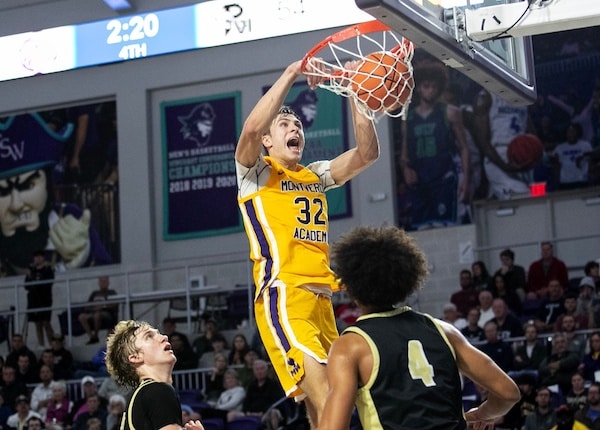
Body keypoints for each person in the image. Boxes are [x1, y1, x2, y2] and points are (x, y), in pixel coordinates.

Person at [235, 58, 380, 427]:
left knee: (325, 413)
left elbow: (367, 154)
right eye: (284, 124)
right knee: (335, 399)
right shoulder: (256, 173)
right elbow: (251, 129)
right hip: (284, 295)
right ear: (269, 140)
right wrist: (290, 73)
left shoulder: (314, 175)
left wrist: (355, 92)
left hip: (322, 303)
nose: (294, 127)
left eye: (298, 124)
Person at [318, 225, 520, 429]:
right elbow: (508, 393)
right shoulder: (444, 331)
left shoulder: (350, 346)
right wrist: (481, 414)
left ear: (351, 286)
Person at [0, 113, 112, 275]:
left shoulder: (70, 216)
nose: (16, 204)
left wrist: (84, 257)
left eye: (28, 186)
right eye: (3, 191)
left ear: (47, 188)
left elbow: (110, 280)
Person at [400, 60, 470, 229]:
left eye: (434, 87)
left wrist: (466, 179)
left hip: (444, 178)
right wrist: (405, 170)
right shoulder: (407, 117)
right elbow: (404, 153)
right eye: (426, 86)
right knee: (422, 230)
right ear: (418, 88)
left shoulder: (450, 112)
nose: (430, 91)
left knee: (447, 227)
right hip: (420, 182)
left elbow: (464, 148)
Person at [104, 320, 203, 430]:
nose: (164, 337)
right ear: (135, 357)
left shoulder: (140, 397)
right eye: (149, 337)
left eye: (159, 334)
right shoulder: (157, 390)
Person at [24, 250, 56, 348]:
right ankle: (41, 345)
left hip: (45, 299)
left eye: (40, 256)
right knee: (37, 324)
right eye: (36, 256)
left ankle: (53, 343)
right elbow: (26, 286)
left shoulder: (48, 269)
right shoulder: (31, 270)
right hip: (33, 300)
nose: (38, 259)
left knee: (46, 322)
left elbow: (49, 282)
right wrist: (30, 275)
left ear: (43, 258)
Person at [550, 122, 593, 189]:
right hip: (565, 182)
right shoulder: (559, 148)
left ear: (578, 132)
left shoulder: (586, 145)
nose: (571, 133)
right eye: (569, 132)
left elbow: (591, 160)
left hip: (581, 180)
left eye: (573, 131)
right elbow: (555, 165)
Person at [77, 276, 119, 344]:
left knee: (97, 315)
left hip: (106, 313)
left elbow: (115, 305)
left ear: (108, 283)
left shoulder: (112, 292)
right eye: (101, 282)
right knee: (81, 316)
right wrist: (93, 309)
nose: (103, 283)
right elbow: (88, 305)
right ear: (99, 283)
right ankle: (92, 336)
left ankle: (96, 335)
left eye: (105, 281)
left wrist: (103, 307)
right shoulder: (95, 293)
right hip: (93, 312)